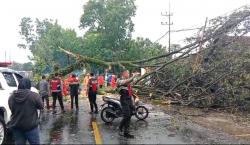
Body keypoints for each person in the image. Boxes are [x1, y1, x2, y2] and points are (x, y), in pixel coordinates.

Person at [8, 78, 43, 145]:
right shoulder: (34, 95)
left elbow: (11, 108)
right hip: (31, 127)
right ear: (29, 86)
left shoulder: (11, 97)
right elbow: (41, 106)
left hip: (16, 127)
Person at [117, 70, 139, 139]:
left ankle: (125, 131)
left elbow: (131, 83)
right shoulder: (119, 80)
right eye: (128, 73)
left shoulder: (128, 80)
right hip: (124, 99)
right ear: (123, 73)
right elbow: (125, 82)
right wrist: (133, 76)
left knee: (131, 114)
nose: (129, 74)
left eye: (129, 73)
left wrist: (135, 77)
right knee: (127, 115)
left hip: (129, 99)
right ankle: (122, 129)